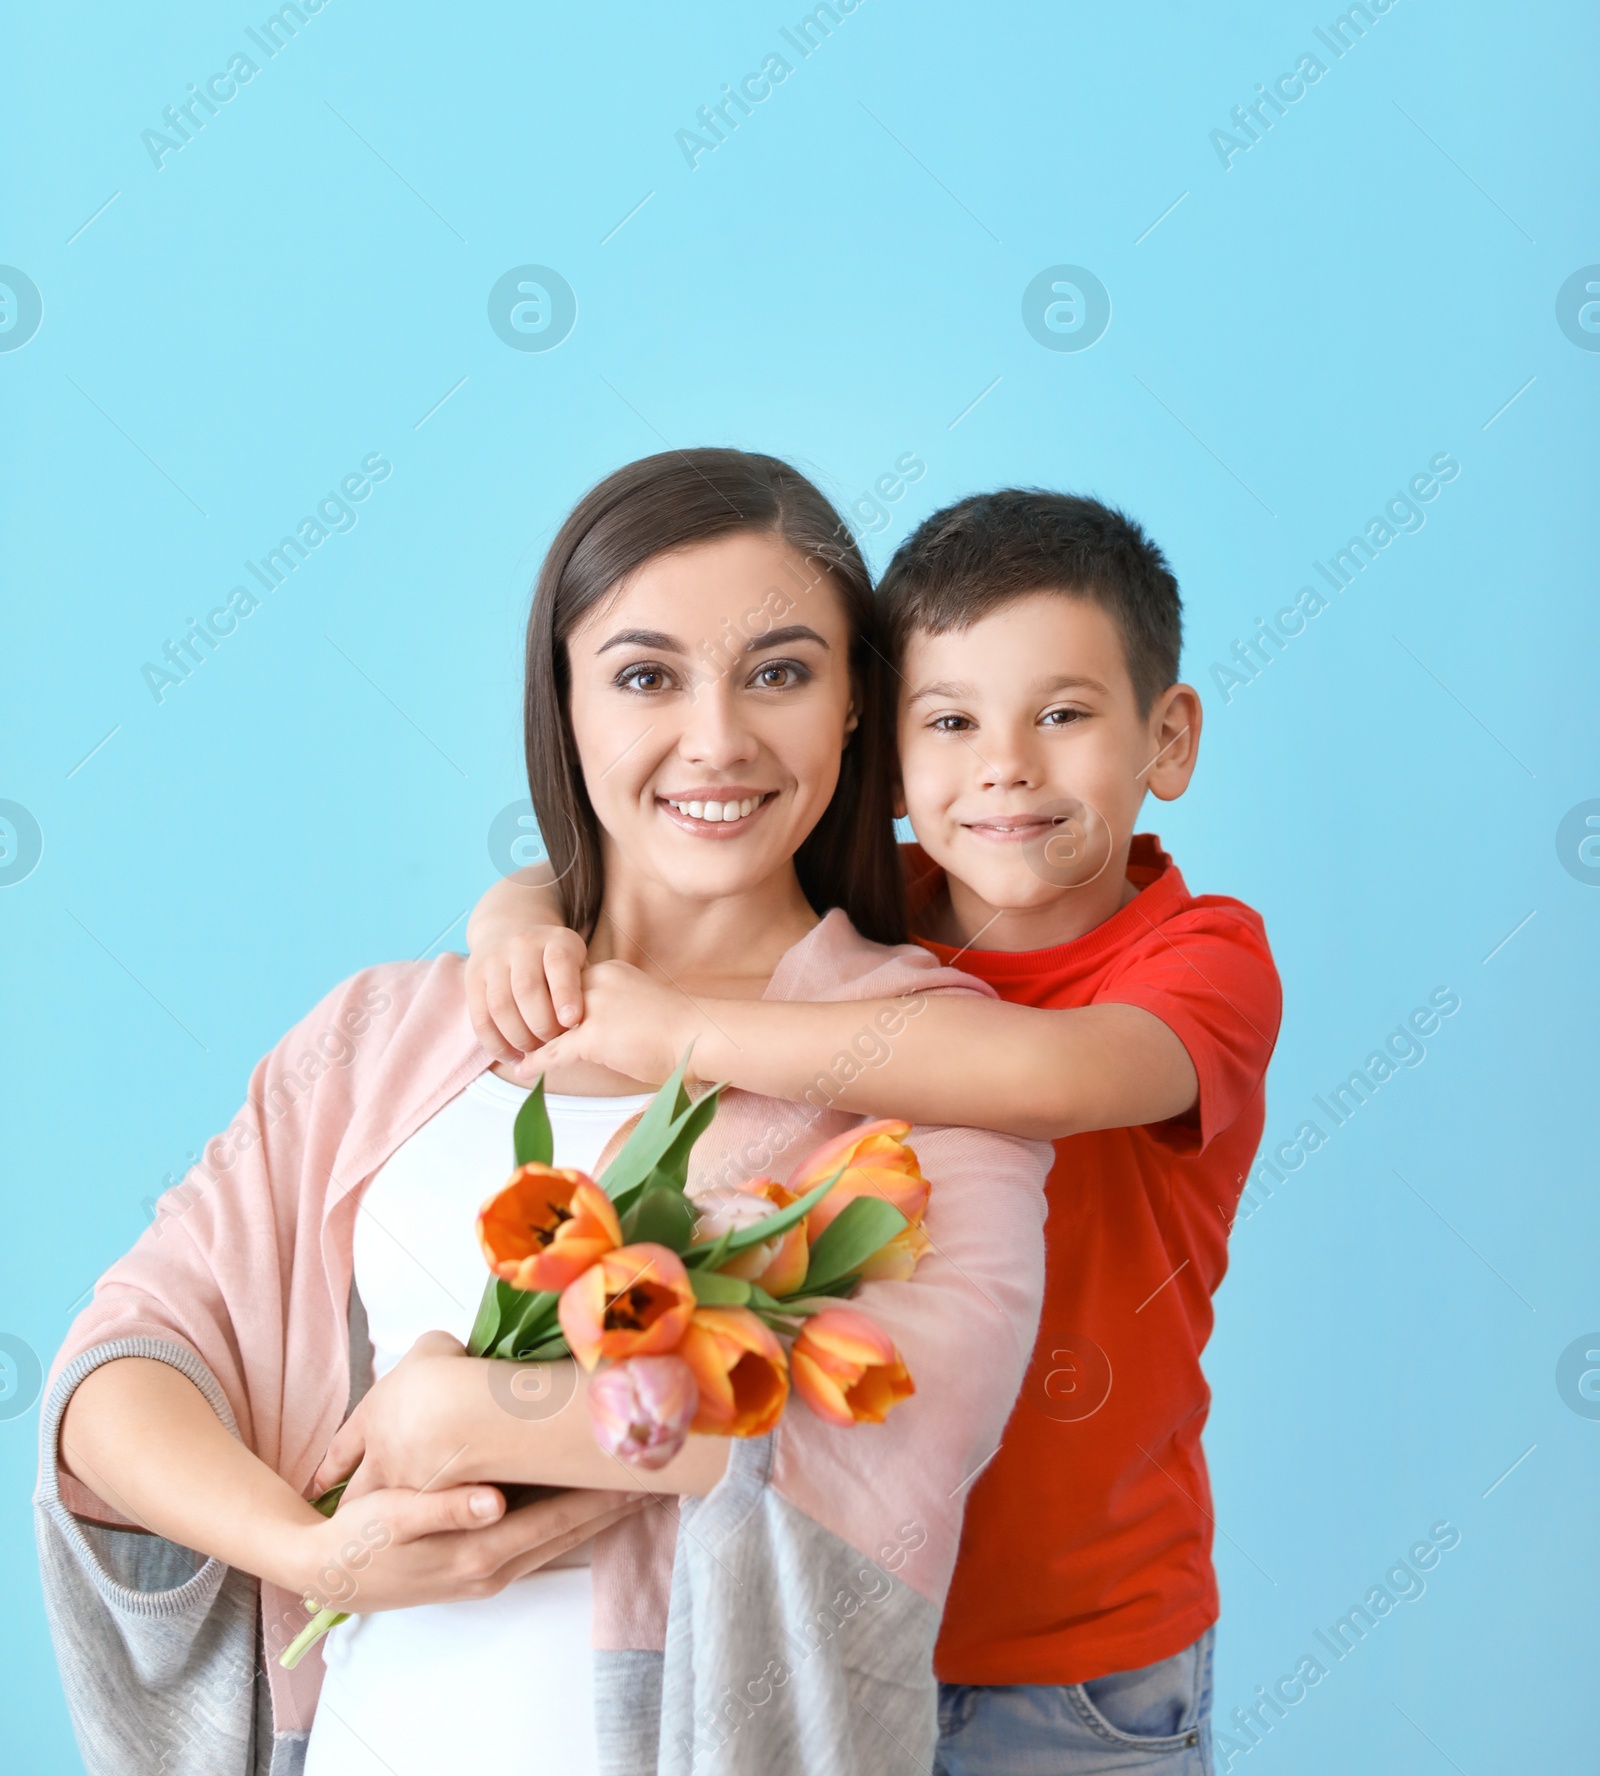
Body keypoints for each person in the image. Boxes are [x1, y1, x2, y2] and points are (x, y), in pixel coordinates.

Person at [36, 451, 1048, 1776]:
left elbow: (884, 1424)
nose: (717, 739)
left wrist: (459, 1417)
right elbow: (125, 1363)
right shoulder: (382, 1034)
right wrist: (310, 1550)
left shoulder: (934, 1063)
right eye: (645, 676)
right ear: (562, 702)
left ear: (859, 702)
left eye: (781, 672)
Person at [464, 488, 1283, 1774]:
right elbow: (628, 873)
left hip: (1071, 1663)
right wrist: (514, 917)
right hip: (818, 1613)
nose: (1005, 766)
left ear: (1164, 738)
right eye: (950, 722)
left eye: (1062, 716)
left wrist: (672, 1028)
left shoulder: (1201, 962)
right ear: (886, 756)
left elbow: (1046, 1075)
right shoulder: (871, 919)